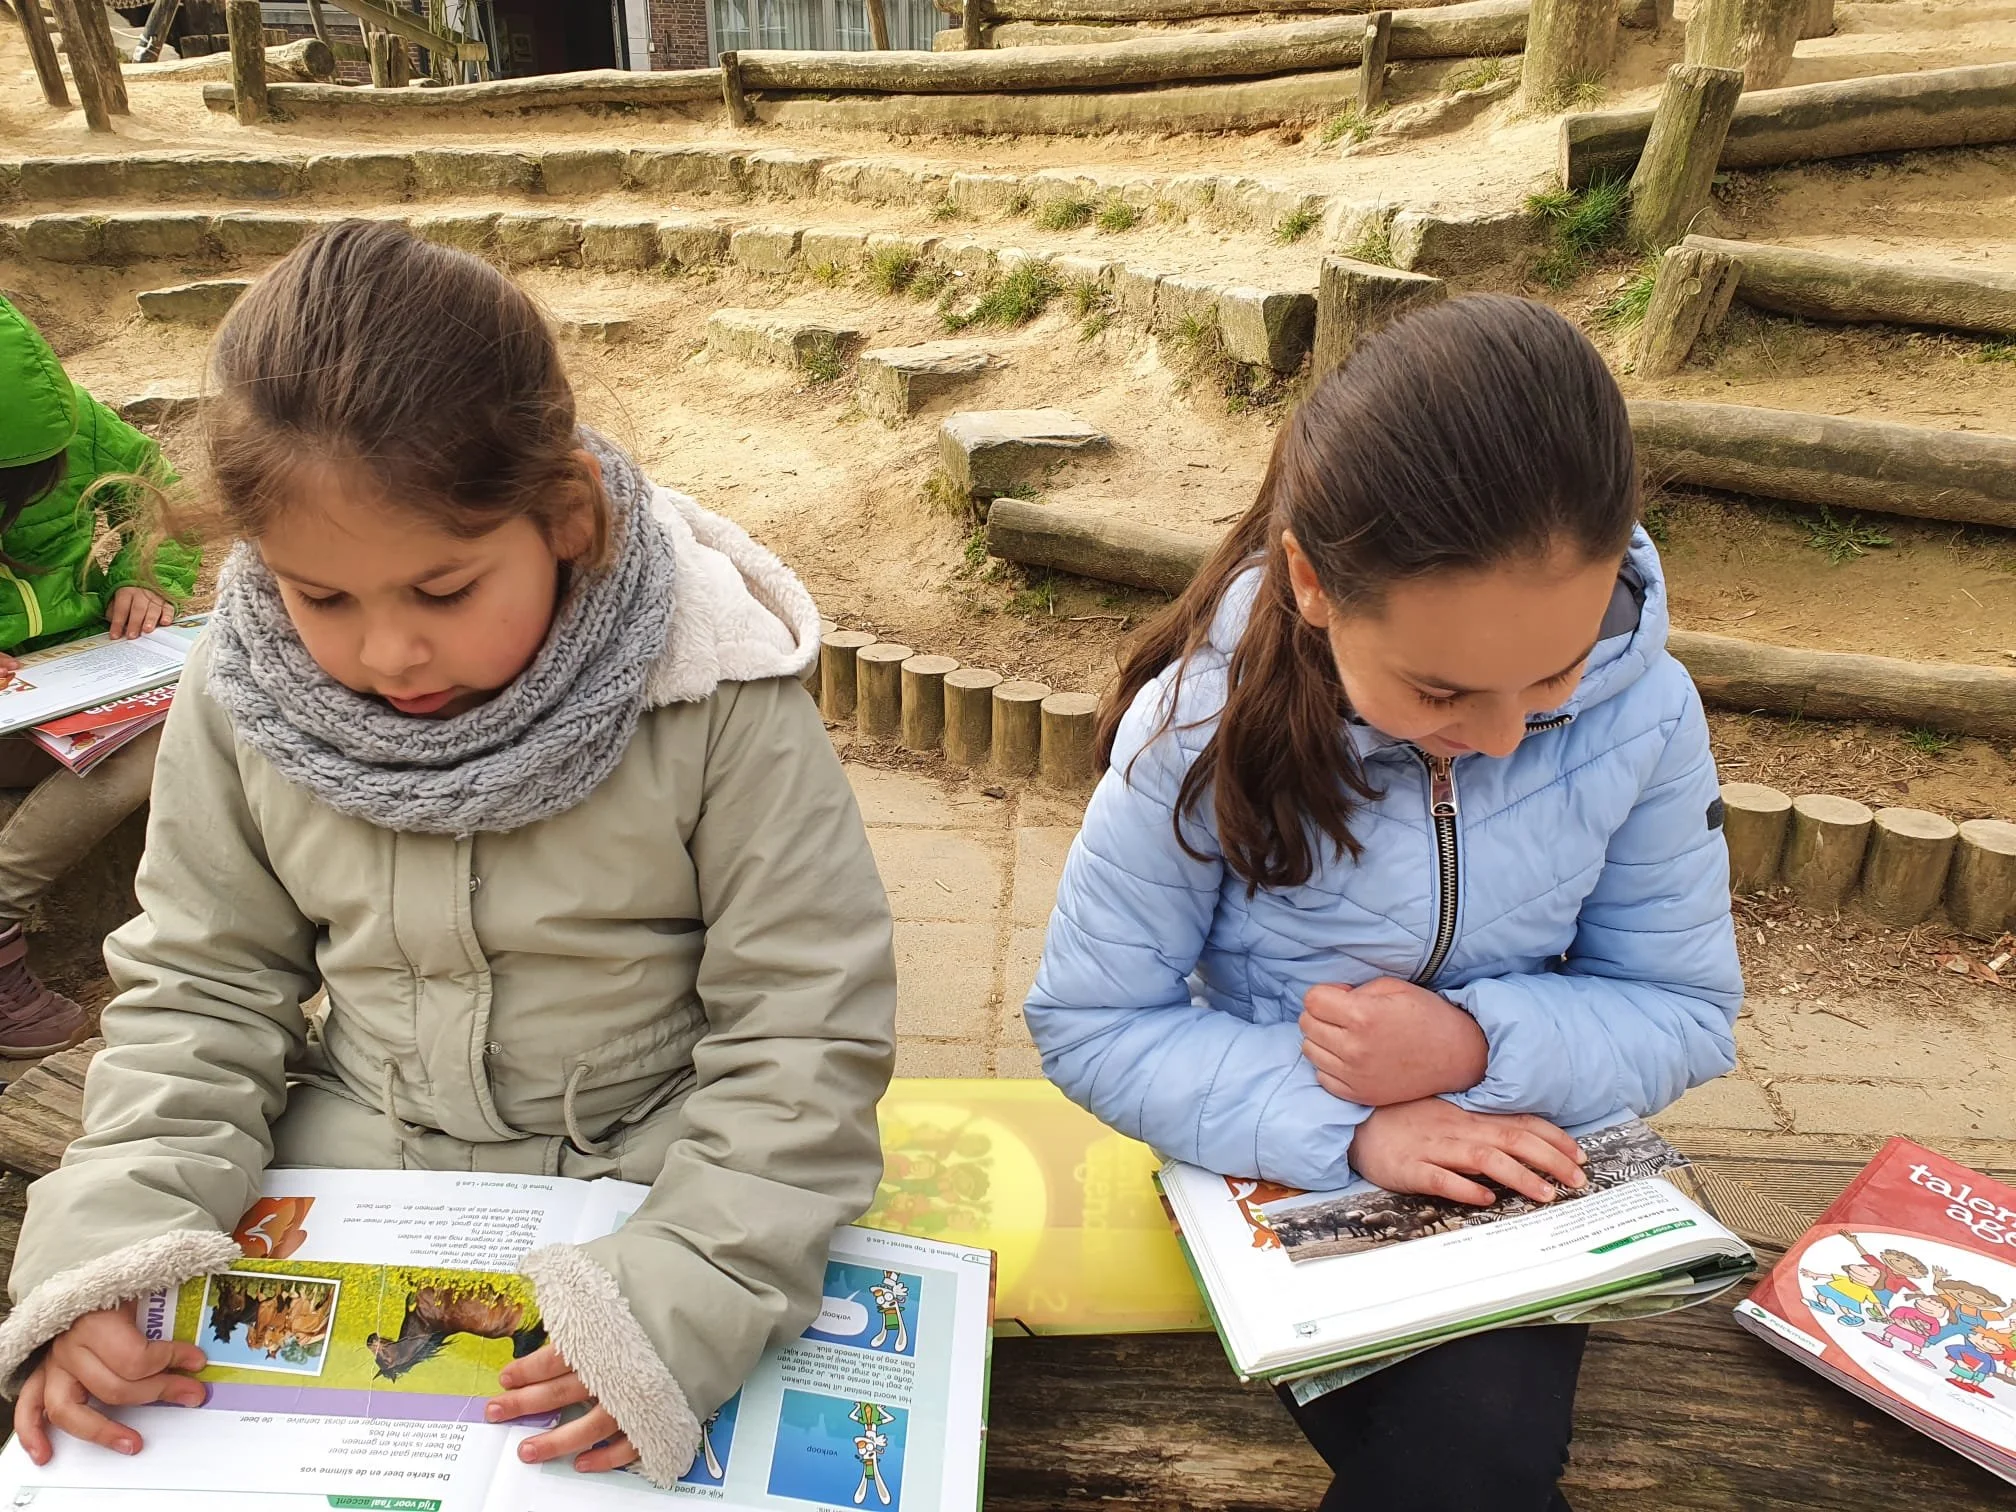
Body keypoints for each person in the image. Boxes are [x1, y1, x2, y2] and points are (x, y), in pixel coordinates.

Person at [0, 222, 896, 1489]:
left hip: (666, 1180)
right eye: (323, 598)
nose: (388, 656)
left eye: (442, 590)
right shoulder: (239, 688)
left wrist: (686, 1291)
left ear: (563, 515)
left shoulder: (716, 686)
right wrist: (114, 1247)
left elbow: (804, 1027)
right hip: (354, 1173)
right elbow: (200, 994)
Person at [1024, 296, 1743, 1512]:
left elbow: (1682, 1005)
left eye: (1555, 675)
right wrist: (1355, 1126)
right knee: (1478, 1461)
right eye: (1444, 688)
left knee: (1481, 1454)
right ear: (1310, 581)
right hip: (1265, 1155)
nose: (1509, 733)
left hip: (1515, 1167)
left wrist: (1473, 1046)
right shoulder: (1198, 730)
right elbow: (1092, 1023)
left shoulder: (1650, 710)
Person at [0, 297, 200, 1054]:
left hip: (81, 667)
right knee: (147, 745)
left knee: (203, 705)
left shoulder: (74, 420)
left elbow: (160, 492)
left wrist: (151, 576)